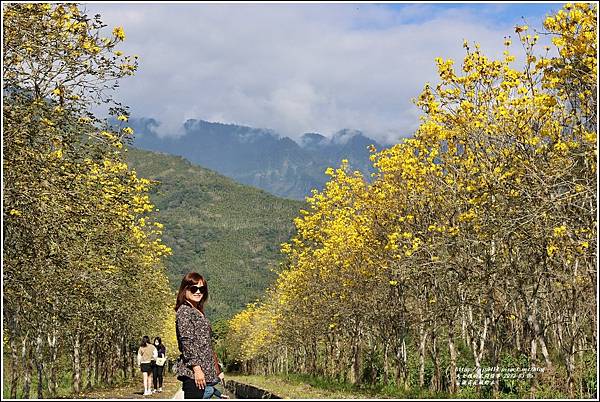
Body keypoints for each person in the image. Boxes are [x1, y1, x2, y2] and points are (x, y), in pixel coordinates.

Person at [174, 272, 228, 399]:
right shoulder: (185, 311)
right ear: (185, 290)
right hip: (194, 374)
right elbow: (187, 341)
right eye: (194, 288)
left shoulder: (197, 311)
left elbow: (206, 345)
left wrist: (217, 370)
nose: (198, 292)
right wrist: (197, 369)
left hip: (205, 373)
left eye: (202, 289)